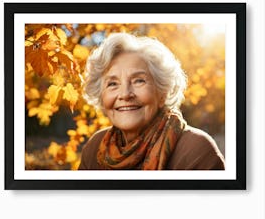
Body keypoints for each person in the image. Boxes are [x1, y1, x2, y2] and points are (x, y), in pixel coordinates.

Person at [79, 32, 225, 170]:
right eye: (112, 84)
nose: (125, 94)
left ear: (162, 92)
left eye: (138, 81)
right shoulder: (95, 148)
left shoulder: (196, 149)